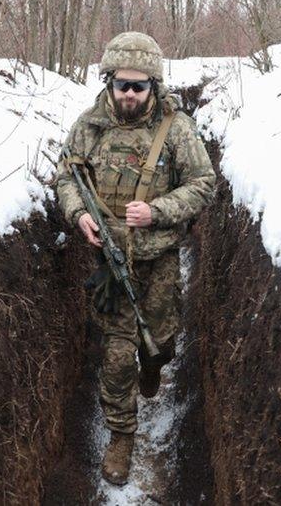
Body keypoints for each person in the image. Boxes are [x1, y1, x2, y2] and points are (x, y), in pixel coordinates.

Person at [55, 31, 215, 485]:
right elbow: (65, 176)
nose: (128, 93)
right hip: (109, 259)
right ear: (108, 82)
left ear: (153, 85)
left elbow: (203, 183)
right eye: (121, 84)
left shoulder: (176, 129)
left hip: (159, 257)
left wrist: (157, 211)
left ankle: (156, 366)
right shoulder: (88, 126)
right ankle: (121, 435)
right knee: (118, 353)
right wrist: (78, 212)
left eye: (138, 85)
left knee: (161, 341)